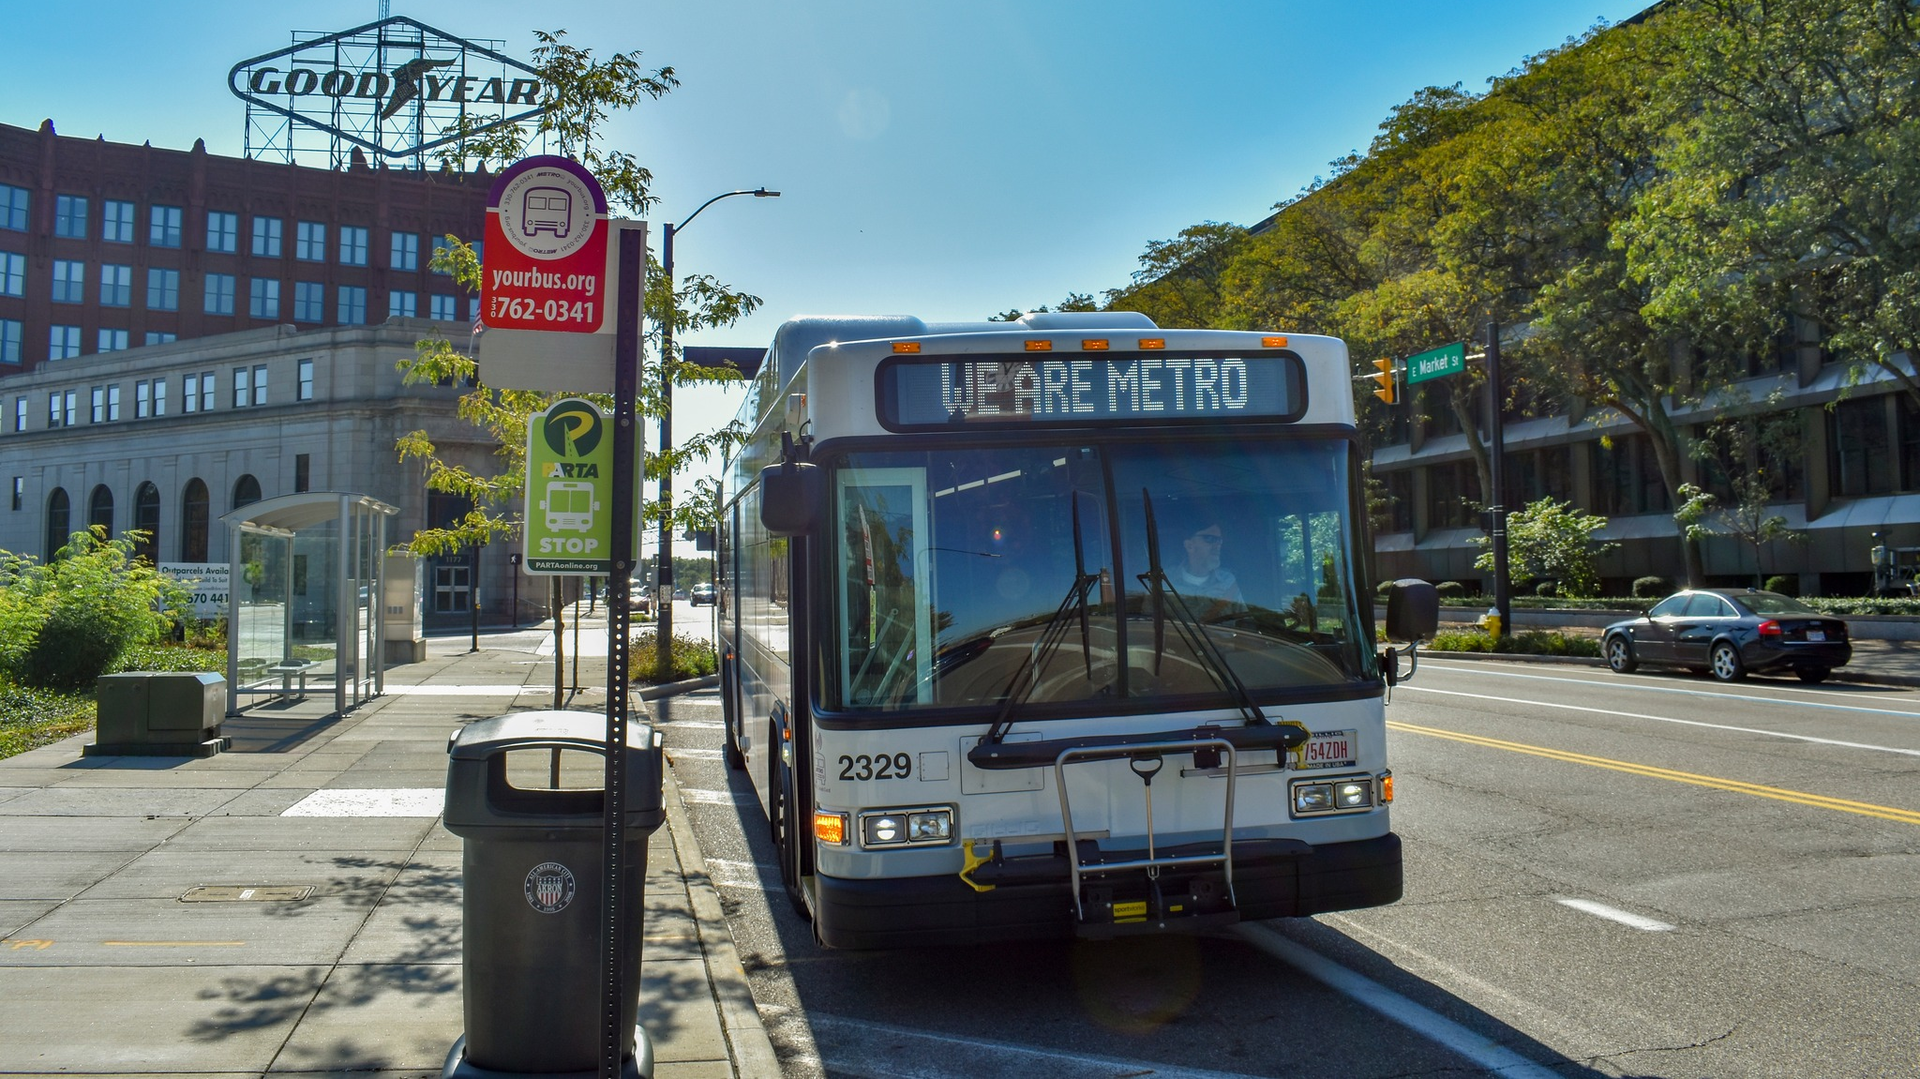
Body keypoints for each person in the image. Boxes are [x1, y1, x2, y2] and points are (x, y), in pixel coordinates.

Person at [1172, 517, 1244, 611]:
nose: (1218, 545)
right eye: (1210, 539)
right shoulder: (1162, 581)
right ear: (1189, 546)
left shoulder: (1229, 582)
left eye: (1219, 540)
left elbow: (1244, 622)